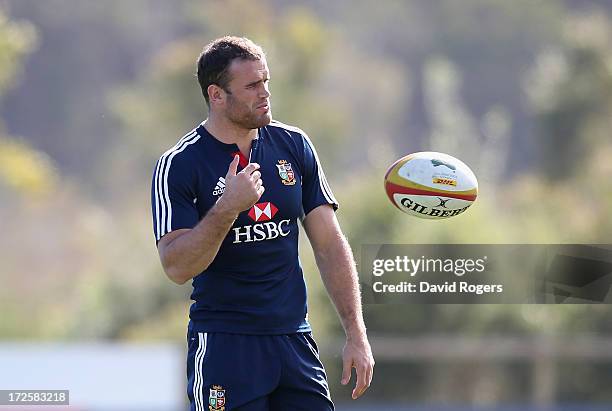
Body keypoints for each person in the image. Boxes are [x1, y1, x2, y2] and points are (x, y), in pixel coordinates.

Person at [151, 36, 374, 411]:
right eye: (252, 86)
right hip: (225, 344)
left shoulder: (294, 145)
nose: (265, 93)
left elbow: (329, 243)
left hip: (293, 341)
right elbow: (176, 266)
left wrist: (356, 332)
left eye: (266, 81)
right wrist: (227, 208)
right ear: (217, 95)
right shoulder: (179, 163)